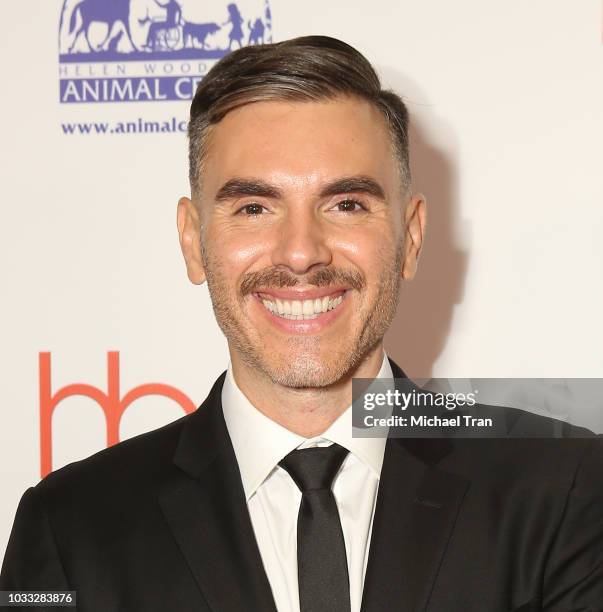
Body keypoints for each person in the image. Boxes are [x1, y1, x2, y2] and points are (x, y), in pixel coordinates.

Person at [1, 36, 602, 612]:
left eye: (346, 205)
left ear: (411, 238)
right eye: (254, 208)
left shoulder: (566, 488)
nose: (300, 253)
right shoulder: (69, 529)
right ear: (192, 241)